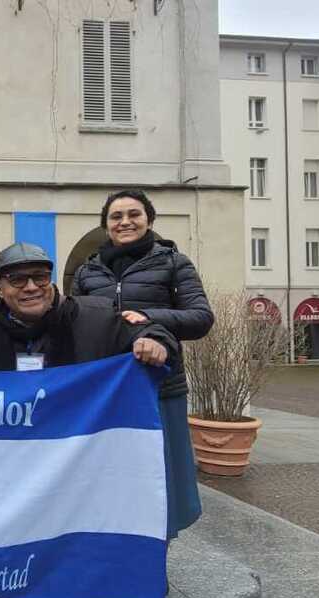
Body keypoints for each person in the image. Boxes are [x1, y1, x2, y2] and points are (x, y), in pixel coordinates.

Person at [0, 242, 175, 598]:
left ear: (53, 280)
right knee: (22, 551)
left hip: (100, 469)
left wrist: (155, 342)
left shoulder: (98, 318)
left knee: (116, 544)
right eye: (18, 279)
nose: (32, 286)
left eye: (40, 275)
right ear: (0, 287)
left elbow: (158, 333)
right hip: (26, 476)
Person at [71, 189, 213, 544]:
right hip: (106, 391)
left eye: (134, 214)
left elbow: (200, 317)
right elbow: (71, 322)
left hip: (159, 388)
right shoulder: (88, 271)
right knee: (110, 475)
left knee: (160, 476)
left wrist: (149, 317)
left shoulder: (173, 263)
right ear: (106, 225)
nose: (125, 222)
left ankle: (154, 560)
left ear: (149, 219)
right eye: (116, 217)